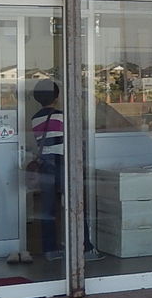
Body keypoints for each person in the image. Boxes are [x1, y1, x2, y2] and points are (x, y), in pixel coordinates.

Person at [28, 79, 100, 261]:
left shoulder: (35, 119)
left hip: (45, 165)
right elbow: (74, 140)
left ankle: (50, 250)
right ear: (57, 97)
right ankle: (85, 248)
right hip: (62, 163)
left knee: (48, 210)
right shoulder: (62, 116)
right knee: (75, 206)